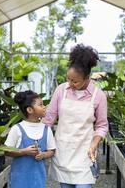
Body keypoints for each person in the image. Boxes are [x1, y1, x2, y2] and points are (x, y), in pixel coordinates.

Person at [43, 44, 108, 188]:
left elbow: (102, 126)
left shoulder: (99, 96)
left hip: (85, 152)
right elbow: (49, 119)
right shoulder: (61, 90)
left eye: (75, 81)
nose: (70, 84)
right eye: (68, 79)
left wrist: (94, 144)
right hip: (63, 151)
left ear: (87, 78)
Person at [5, 90, 56, 188]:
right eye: (40, 105)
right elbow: (6, 152)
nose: (44, 107)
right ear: (30, 110)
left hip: (39, 181)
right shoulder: (17, 129)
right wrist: (24, 151)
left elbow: (52, 151)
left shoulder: (46, 129)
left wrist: (43, 155)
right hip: (19, 181)